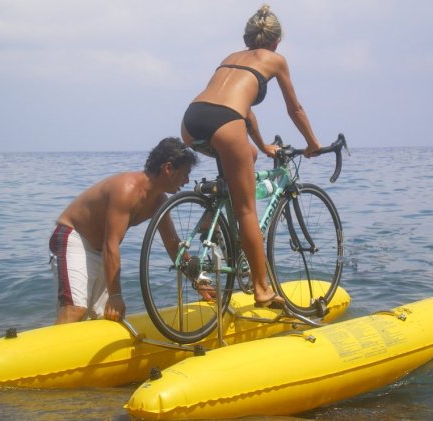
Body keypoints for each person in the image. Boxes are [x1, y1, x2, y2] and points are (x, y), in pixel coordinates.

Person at [181, 4, 322, 309]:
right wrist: (312, 142)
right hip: (225, 121)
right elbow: (294, 108)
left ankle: (210, 218)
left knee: (247, 159)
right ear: (275, 42)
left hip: (192, 120)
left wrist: (261, 145)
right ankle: (262, 289)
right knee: (247, 211)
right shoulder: (275, 60)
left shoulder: (230, 59)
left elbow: (241, 109)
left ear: (247, 38)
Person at [48, 137, 198, 324]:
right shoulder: (127, 190)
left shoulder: (159, 201)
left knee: (106, 318)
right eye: (185, 173)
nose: (187, 180)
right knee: (75, 311)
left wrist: (198, 280)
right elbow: (111, 243)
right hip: (74, 238)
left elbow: (173, 245)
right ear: (167, 168)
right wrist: (115, 295)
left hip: (100, 251)